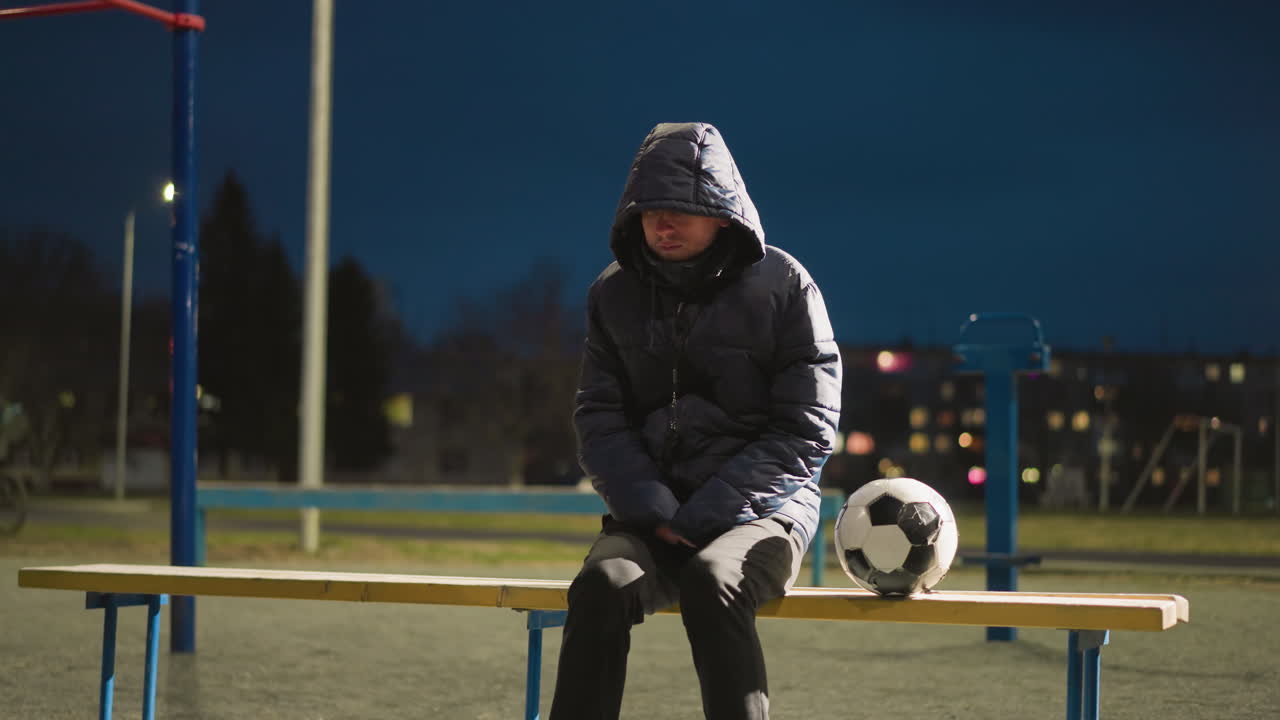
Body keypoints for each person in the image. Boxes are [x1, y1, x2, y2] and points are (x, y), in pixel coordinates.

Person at [548, 122, 842, 720]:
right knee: (599, 588)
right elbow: (600, 418)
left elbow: (806, 427)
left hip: (766, 509)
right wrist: (654, 509)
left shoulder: (785, 285)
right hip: (653, 513)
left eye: (680, 208)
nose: (662, 223)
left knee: (714, 581)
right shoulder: (612, 294)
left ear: (722, 210)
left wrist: (708, 513)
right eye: (650, 210)